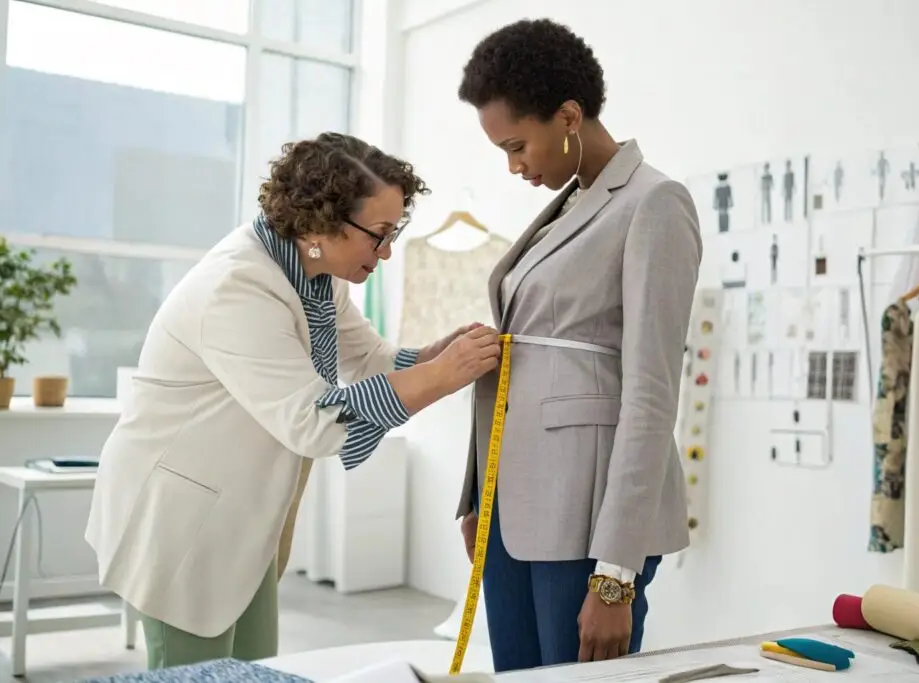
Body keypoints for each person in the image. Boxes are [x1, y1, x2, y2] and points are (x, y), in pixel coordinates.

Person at [84, 132, 501, 670]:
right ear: (321, 222)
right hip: (180, 522)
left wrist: (434, 358)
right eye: (378, 234)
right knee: (199, 677)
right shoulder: (238, 288)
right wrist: (437, 380)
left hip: (241, 520)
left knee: (256, 671)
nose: (388, 250)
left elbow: (368, 356)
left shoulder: (315, 274)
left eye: (395, 232)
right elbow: (312, 421)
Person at [453, 19, 702, 673]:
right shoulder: (567, 206)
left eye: (517, 146)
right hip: (511, 511)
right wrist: (480, 494)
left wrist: (615, 572)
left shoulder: (654, 204)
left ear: (568, 115)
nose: (514, 167)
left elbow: (651, 393)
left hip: (586, 523)